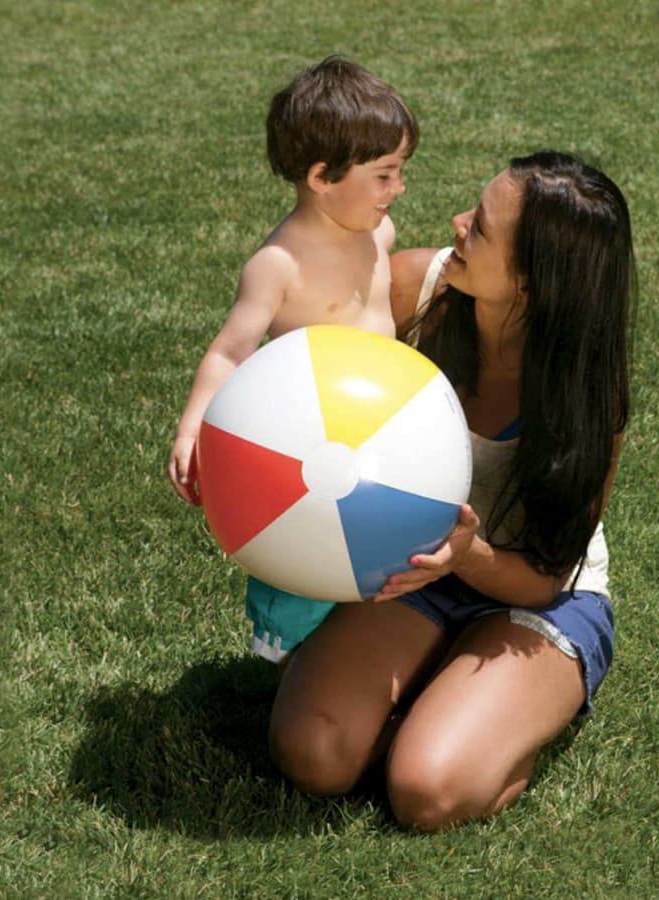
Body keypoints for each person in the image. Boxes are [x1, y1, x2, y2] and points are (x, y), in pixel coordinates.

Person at [268, 150, 636, 831]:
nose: (456, 223)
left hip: (540, 599)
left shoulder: (588, 397)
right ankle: (439, 694)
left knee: (427, 793)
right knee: (313, 754)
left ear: (530, 283)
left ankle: (487, 724)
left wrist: (466, 555)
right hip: (416, 573)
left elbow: (547, 577)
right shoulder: (415, 290)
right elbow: (312, 391)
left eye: (481, 228)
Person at [168, 56, 418, 662]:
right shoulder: (280, 265)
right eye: (384, 175)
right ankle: (279, 652)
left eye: (401, 171)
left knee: (380, 548)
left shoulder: (376, 234)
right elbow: (230, 352)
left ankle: (363, 650)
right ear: (321, 177)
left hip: (378, 432)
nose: (399, 189)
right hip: (306, 448)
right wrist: (193, 426)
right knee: (306, 557)